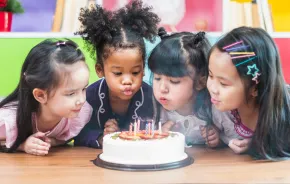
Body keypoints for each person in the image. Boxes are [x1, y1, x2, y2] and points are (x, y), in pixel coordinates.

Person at [74, 0, 160, 148]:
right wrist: (101, 137)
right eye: (118, 73)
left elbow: (155, 132)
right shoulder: (89, 97)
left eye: (135, 72)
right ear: (100, 70)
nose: (127, 80)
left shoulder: (152, 97)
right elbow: (77, 134)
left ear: (143, 69)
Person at [207, 26, 290, 160]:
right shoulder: (221, 110)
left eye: (223, 84)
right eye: (210, 76)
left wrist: (257, 145)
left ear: (255, 88)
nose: (212, 88)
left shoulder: (284, 116)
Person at [0, 39, 92, 156]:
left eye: (84, 89)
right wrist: (21, 145)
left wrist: (54, 141)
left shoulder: (79, 113)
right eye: (70, 94)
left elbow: (67, 137)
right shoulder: (8, 120)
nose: (82, 100)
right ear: (40, 95)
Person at [148, 27, 218, 146]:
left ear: (201, 82)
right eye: (157, 78)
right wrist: (159, 136)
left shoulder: (214, 109)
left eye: (174, 81)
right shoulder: (154, 110)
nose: (162, 89)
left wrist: (218, 139)